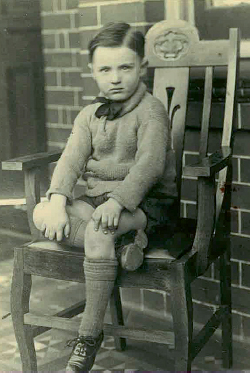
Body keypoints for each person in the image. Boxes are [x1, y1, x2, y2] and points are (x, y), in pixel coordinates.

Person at [33, 21, 177, 372]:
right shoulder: (88, 115)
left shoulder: (151, 110)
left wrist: (118, 202)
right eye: (105, 69)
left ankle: (88, 336)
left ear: (142, 68)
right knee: (40, 213)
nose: (115, 78)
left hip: (143, 202)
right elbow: (70, 160)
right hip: (99, 198)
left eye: (125, 67)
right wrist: (56, 202)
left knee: (98, 232)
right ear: (92, 72)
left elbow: (149, 165)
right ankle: (123, 245)